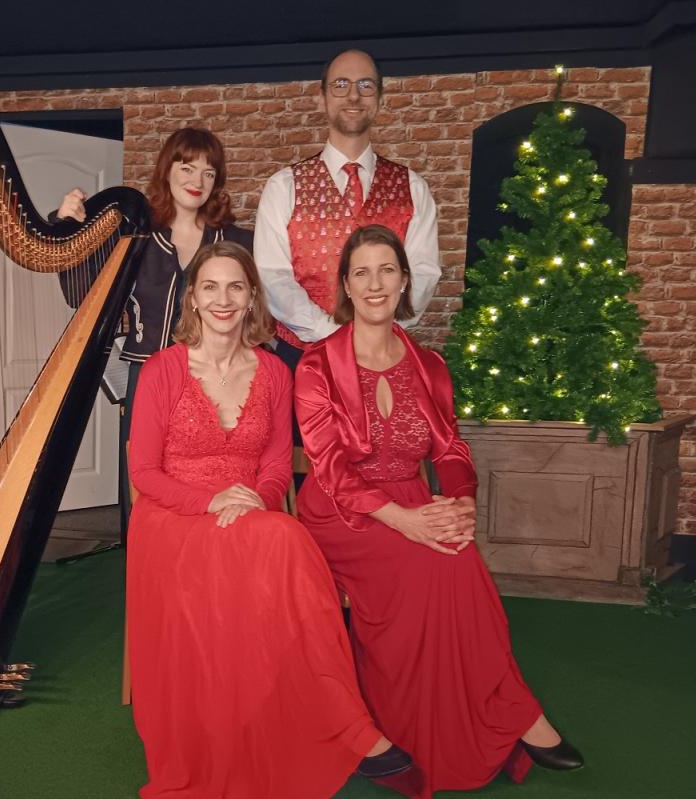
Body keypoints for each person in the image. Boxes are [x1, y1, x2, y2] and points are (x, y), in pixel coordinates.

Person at [293, 224, 583, 799]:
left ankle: (495, 715)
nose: (375, 284)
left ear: (404, 280)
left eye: (387, 270)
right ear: (345, 286)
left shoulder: (429, 365)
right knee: (441, 560)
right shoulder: (316, 365)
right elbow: (329, 468)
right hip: (341, 513)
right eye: (361, 273)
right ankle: (524, 717)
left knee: (455, 550)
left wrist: (462, 500)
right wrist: (405, 519)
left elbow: (450, 450)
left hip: (411, 499)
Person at [126, 240, 412, 798]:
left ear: (252, 296)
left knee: (277, 536)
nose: (223, 299)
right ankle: (349, 727)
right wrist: (210, 502)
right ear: (193, 298)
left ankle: (327, 716)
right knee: (284, 539)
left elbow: (279, 465)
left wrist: (255, 500)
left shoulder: (277, 373)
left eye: (236, 286)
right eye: (211, 287)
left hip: (251, 513)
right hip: (173, 518)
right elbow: (145, 473)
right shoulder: (162, 370)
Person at [57, 127, 252, 532]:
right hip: (145, 376)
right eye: (187, 168)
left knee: (209, 484)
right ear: (167, 170)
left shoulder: (236, 240)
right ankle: (150, 559)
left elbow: (258, 310)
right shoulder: (136, 237)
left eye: (209, 172)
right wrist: (69, 230)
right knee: (146, 484)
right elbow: (79, 293)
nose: (197, 181)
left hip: (216, 380)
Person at [254, 48, 442, 369]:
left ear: (379, 99)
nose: (353, 95)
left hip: (384, 355)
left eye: (365, 85)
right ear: (322, 98)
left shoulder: (413, 188)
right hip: (302, 358)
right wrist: (334, 334)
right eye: (341, 85)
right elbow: (272, 278)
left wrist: (375, 333)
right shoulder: (283, 186)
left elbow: (422, 274)